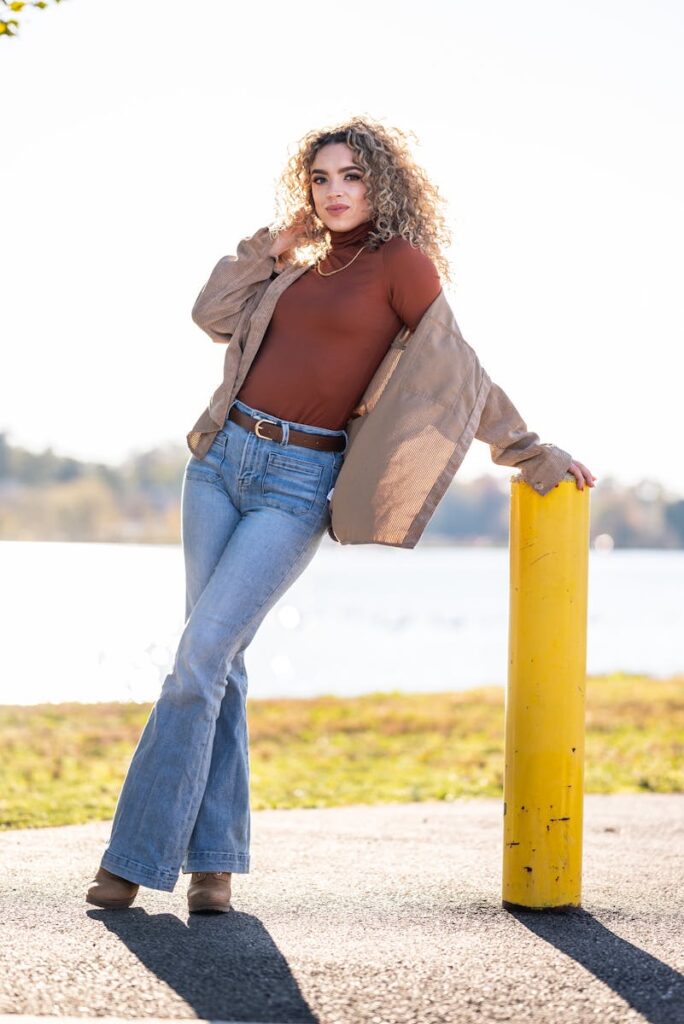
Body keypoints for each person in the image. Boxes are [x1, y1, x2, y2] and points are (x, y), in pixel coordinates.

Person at [86, 117, 595, 913]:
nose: (334, 192)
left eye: (350, 177)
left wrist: (530, 452)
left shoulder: (401, 266)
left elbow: (461, 376)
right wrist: (272, 246)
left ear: (380, 183)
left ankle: (134, 858)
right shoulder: (295, 263)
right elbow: (210, 312)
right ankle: (214, 866)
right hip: (219, 463)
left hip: (297, 482)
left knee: (200, 657)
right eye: (321, 179)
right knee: (219, 662)